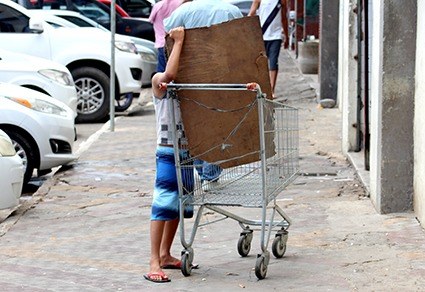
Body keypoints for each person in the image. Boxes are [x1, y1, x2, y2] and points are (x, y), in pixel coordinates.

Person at [164, 0, 243, 190]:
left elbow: (168, 38)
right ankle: (210, 173)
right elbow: (242, 41)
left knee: (195, 124)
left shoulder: (183, 11)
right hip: (223, 77)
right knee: (219, 123)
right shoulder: (232, 10)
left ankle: (204, 171)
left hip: (192, 78)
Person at [144, 26, 193, 283]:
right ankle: (154, 259)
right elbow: (170, 74)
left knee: (179, 205)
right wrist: (180, 40)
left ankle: (165, 254)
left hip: (187, 152)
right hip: (166, 151)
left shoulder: (194, 85)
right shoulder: (158, 80)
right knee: (163, 204)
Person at [248, 0, 287, 98]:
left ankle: (271, 90)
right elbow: (251, 13)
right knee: (260, 63)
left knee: (273, 62)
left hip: (276, 36)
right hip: (262, 35)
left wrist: (286, 34)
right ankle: (259, 88)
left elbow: (284, 17)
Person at [148, 0, 182, 73]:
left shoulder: (158, 6)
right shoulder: (180, 3)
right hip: (175, 42)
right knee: (176, 70)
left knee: (162, 72)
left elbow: (150, 20)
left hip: (161, 42)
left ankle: (162, 84)